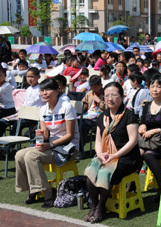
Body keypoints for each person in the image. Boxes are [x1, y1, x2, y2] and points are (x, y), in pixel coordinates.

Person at [15, 78, 79, 208]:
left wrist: (50, 145)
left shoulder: (66, 107)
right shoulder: (43, 109)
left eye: (48, 89)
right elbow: (45, 135)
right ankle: (34, 189)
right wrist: (40, 135)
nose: (44, 93)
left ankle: (47, 192)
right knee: (19, 154)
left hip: (68, 149)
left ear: (58, 90)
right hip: (52, 146)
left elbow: (69, 135)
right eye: (42, 90)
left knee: (31, 156)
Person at [84, 82, 140, 223]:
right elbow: (98, 141)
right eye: (107, 95)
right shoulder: (102, 116)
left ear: (122, 96)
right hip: (106, 155)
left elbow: (132, 141)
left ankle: (101, 207)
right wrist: (100, 154)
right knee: (90, 172)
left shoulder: (128, 115)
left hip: (127, 157)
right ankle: (95, 206)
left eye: (114, 95)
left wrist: (115, 155)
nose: (110, 98)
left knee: (104, 173)